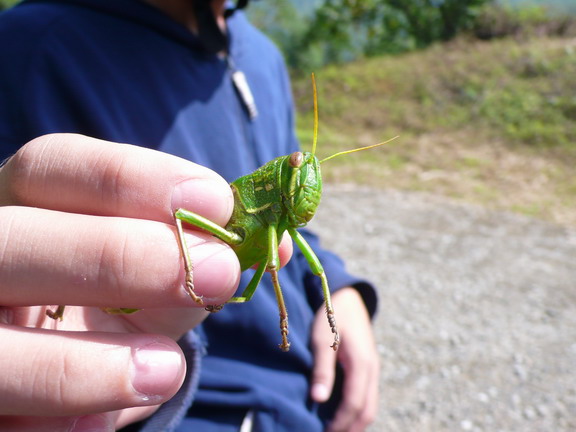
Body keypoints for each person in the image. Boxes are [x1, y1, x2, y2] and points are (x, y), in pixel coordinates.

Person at [0, 1, 380, 431]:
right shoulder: (26, 46)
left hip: (310, 394)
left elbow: (290, 226)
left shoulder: (264, 57)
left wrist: (336, 291)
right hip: (187, 400)